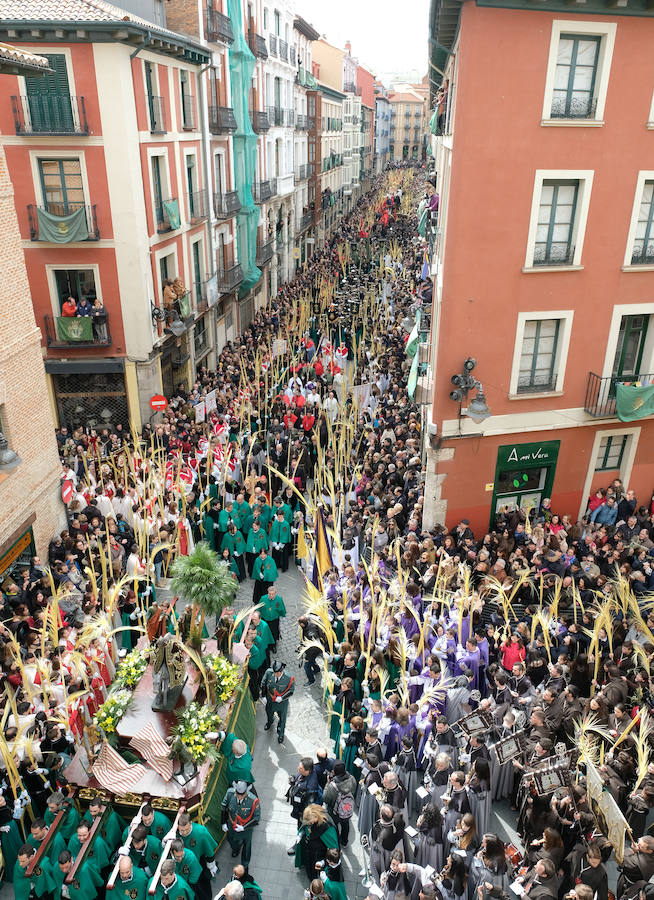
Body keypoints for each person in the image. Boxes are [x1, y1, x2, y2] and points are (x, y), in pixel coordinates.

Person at [293, 803, 339, 880]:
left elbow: (333, 848)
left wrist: (324, 861)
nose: (311, 823)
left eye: (311, 821)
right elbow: (305, 826)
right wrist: (300, 834)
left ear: (316, 816)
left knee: (314, 870)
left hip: (318, 854)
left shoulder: (327, 827)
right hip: (309, 850)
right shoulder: (310, 815)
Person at [221, 781, 261, 865]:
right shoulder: (230, 793)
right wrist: (223, 822)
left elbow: (256, 818)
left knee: (247, 847)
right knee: (231, 839)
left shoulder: (253, 800)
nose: (239, 797)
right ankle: (236, 849)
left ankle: (245, 864)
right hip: (232, 825)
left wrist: (244, 827)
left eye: (242, 795)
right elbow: (224, 806)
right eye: (238, 794)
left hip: (246, 829)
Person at [322, 760, 357, 847]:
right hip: (347, 808)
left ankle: (336, 843)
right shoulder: (352, 778)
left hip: (335, 812)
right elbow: (353, 790)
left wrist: (328, 783)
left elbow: (325, 798)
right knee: (345, 824)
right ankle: (344, 841)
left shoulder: (332, 786)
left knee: (334, 827)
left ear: (333, 772)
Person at [260, 660, 295, 743]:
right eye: (275, 672)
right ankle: (270, 722)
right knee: (268, 712)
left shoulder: (289, 678)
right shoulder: (269, 672)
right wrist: (264, 696)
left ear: (281, 671)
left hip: (281, 703)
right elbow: (263, 684)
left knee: (282, 719)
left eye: (277, 673)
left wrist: (282, 698)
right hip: (270, 699)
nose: (276, 675)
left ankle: (281, 733)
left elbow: (291, 691)